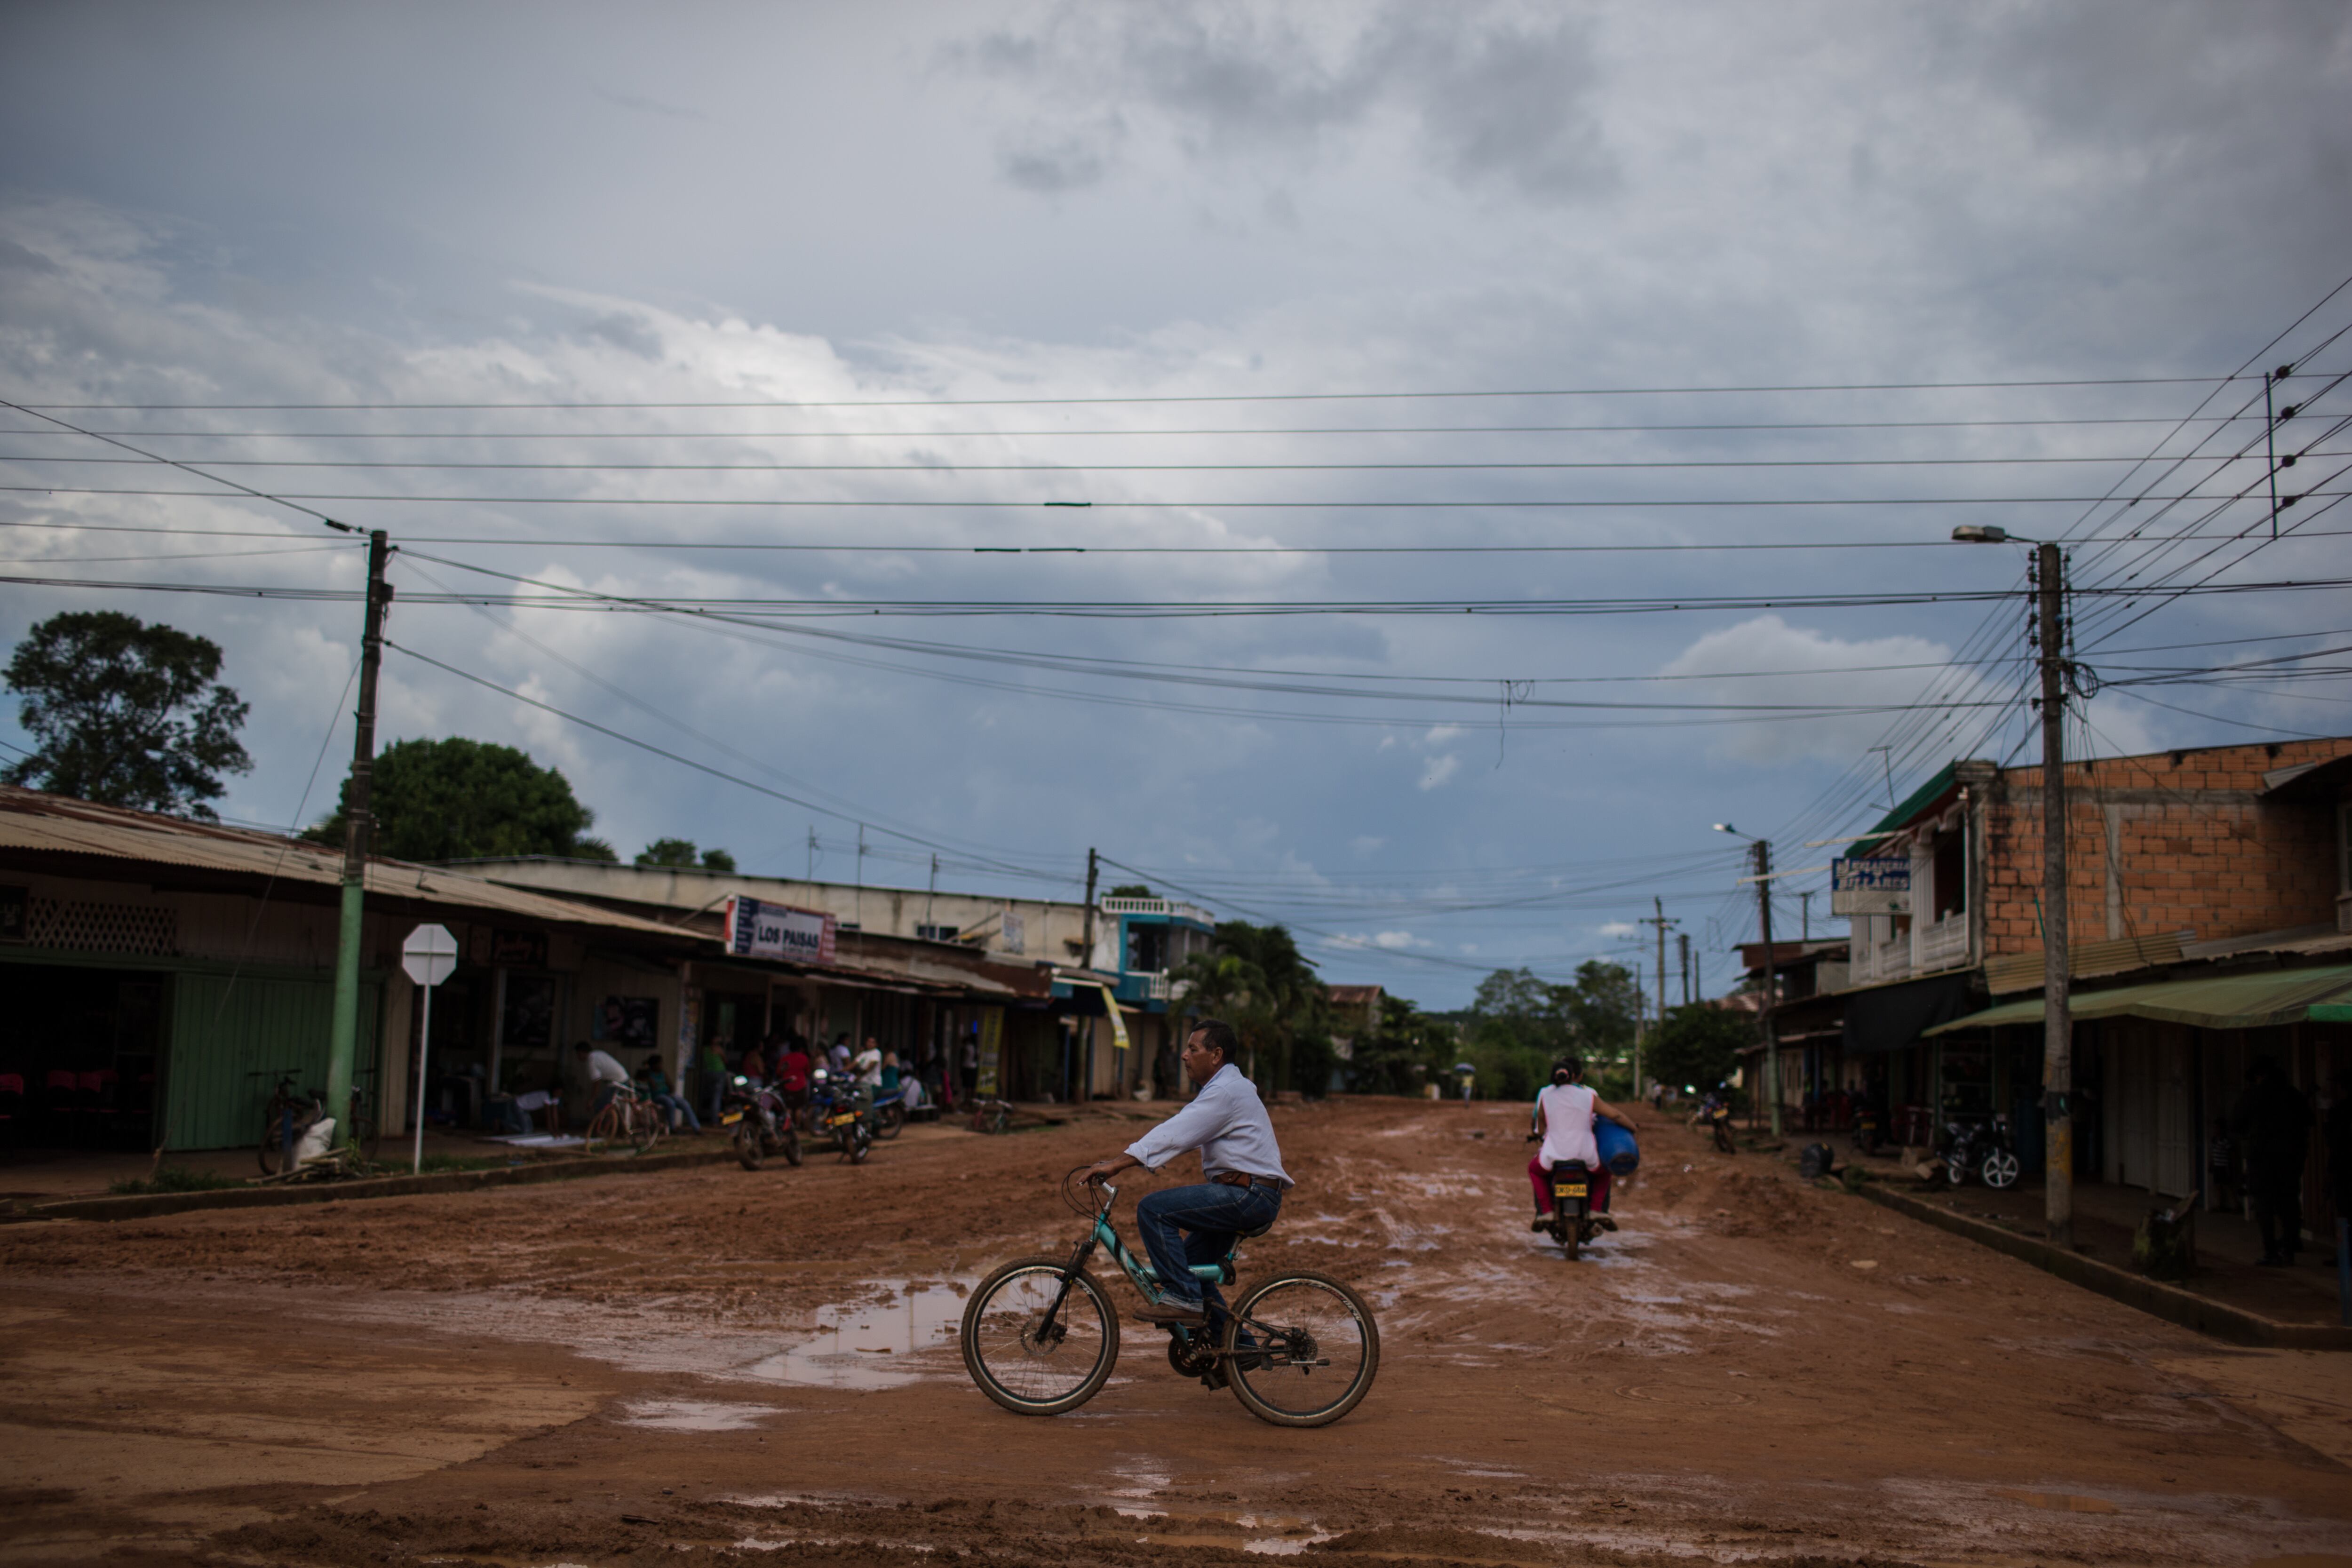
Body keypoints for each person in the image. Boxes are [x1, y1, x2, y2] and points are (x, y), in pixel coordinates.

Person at [1080, 1018, 1289, 1329]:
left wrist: (1117, 1163)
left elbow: (1177, 1132)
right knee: (1190, 1268)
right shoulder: (1225, 1088)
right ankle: (1235, 1350)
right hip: (1248, 1193)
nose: (1184, 1055)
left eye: (1193, 1048)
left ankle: (1184, 1298)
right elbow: (1181, 1132)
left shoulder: (1226, 1091)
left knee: (1153, 1210)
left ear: (1216, 1055)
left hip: (1249, 1195)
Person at [1528, 1057, 1636, 1232]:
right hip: (1585, 1154)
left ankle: (1546, 1211)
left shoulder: (1546, 1097)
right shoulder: (1588, 1096)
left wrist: (1538, 1134)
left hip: (1553, 1155)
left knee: (1535, 1170)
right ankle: (1596, 1209)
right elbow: (1614, 1115)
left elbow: (1540, 1127)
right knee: (1604, 1172)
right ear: (1574, 1076)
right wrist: (1632, 1128)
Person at [2233, 1057, 2312, 1266]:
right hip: (2290, 1159)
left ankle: (2271, 1251)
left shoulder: (2254, 1096)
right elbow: (2309, 1120)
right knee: (2289, 1202)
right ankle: (2289, 1245)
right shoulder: (2292, 1095)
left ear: (2259, 1076)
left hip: (2262, 1159)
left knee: (2265, 1205)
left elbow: (2237, 1123)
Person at [636, 1055, 701, 1133]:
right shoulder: (648, 1074)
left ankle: (696, 1127)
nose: (661, 1066)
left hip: (667, 1094)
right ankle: (673, 1128)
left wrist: (671, 1091)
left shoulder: (663, 1073)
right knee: (670, 1103)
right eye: (659, 1064)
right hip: (657, 1096)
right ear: (654, 1065)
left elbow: (671, 1085)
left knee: (684, 1104)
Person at [575, 1040, 630, 1114]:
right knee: (609, 1106)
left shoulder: (591, 1060)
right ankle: (611, 1123)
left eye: (578, 1054)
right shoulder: (598, 1053)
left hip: (618, 1082)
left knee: (600, 1107)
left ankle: (604, 1123)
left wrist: (592, 1101)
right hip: (624, 1079)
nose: (578, 1056)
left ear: (582, 1052)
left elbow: (596, 1084)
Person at [2206, 1117, 2242, 1215]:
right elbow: (2213, 1153)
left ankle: (2236, 1205)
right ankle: (2219, 1205)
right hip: (2217, 1166)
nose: (2215, 1130)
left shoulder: (2225, 1141)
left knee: (2228, 1186)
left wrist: (2231, 1166)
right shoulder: (2214, 1140)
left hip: (2224, 1166)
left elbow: (2231, 1154)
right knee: (2217, 1186)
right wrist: (2211, 1163)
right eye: (2214, 1128)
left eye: (2217, 1128)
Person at [777, 1035, 812, 1122]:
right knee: (799, 1108)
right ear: (801, 1048)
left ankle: (788, 1126)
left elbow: (778, 1073)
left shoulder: (785, 1058)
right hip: (801, 1086)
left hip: (787, 1086)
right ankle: (797, 1127)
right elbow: (808, 1073)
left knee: (788, 1108)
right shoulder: (804, 1058)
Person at [698, 1038, 730, 1124]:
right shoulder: (718, 1049)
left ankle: (703, 1115)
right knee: (717, 1098)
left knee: (708, 1095)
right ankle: (715, 1120)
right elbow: (725, 1060)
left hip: (708, 1073)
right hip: (719, 1073)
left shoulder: (704, 1049)